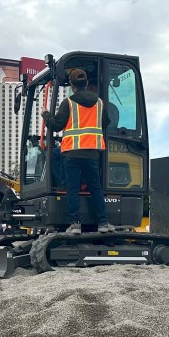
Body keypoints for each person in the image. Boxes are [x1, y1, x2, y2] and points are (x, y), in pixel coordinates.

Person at [42, 67, 114, 234]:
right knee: (96, 188)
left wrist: (45, 115)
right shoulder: (100, 103)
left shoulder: (68, 103)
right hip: (92, 154)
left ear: (72, 86)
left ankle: (75, 224)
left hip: (72, 153)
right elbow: (105, 123)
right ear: (87, 84)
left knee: (72, 190)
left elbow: (55, 125)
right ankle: (103, 223)